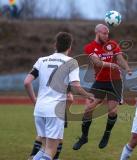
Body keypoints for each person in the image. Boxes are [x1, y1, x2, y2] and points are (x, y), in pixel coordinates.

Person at [24, 32, 94, 160]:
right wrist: (88, 95)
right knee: (50, 151)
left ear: (55, 45)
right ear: (70, 47)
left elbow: (27, 82)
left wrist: (35, 100)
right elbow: (76, 87)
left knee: (44, 148)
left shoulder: (41, 60)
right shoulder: (71, 62)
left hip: (39, 109)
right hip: (55, 110)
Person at [72, 24, 132, 150]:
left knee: (112, 110)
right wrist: (111, 65)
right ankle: (84, 137)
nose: (106, 35)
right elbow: (97, 62)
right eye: (104, 33)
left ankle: (107, 134)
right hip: (100, 82)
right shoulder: (90, 47)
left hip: (115, 82)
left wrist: (127, 68)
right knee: (88, 108)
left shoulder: (113, 44)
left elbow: (119, 59)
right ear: (97, 32)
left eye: (108, 33)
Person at [27, 93, 73, 160]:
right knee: (52, 144)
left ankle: (34, 156)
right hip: (55, 110)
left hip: (43, 108)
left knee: (45, 142)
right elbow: (70, 99)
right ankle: (52, 158)